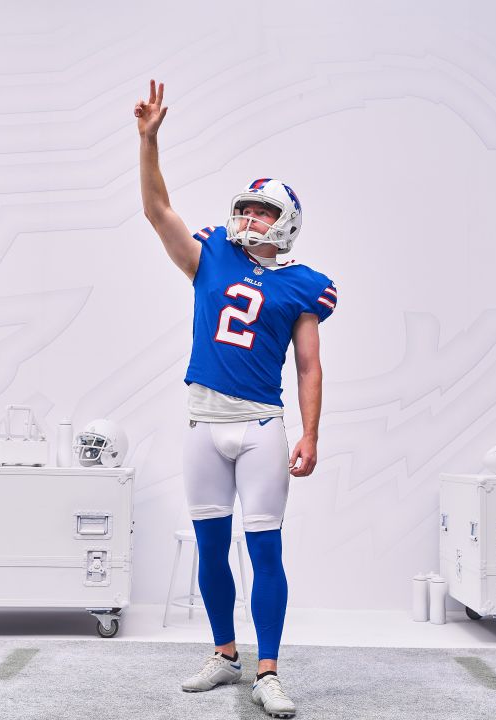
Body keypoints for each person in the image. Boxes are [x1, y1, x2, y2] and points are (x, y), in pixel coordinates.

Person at [135, 80, 337, 719]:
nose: (248, 218)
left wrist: (310, 433)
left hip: (260, 427)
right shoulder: (211, 257)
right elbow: (157, 211)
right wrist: (149, 141)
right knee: (210, 545)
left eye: (262, 211)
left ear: (287, 223)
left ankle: (268, 669)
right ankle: (224, 654)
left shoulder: (305, 285)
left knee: (265, 548)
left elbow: (309, 366)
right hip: (202, 423)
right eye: (245, 208)